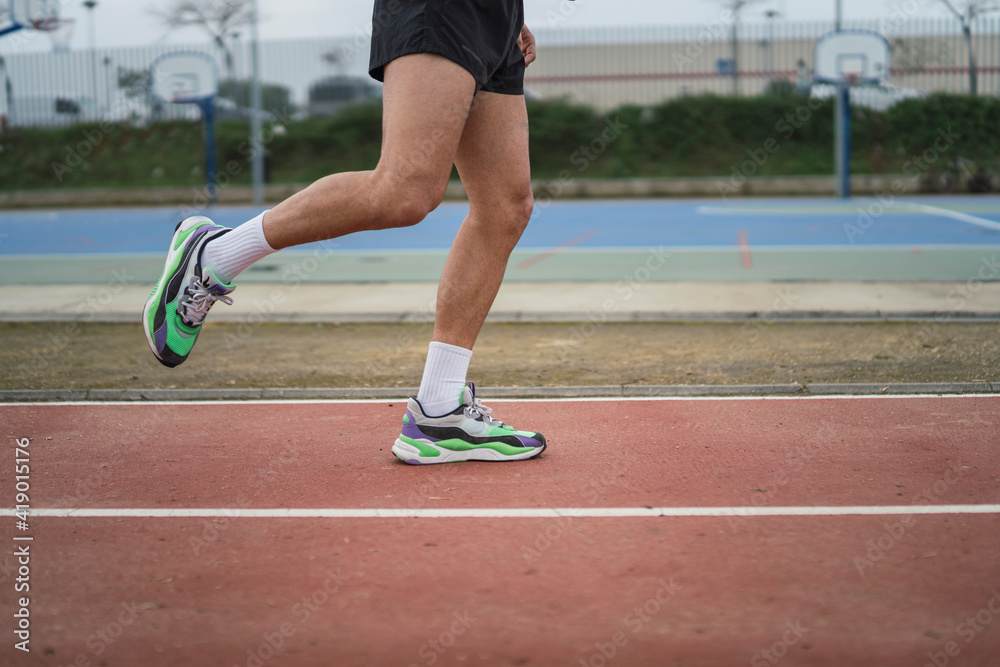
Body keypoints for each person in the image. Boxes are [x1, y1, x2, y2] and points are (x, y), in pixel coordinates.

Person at [142, 0, 546, 465]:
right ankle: (216, 254)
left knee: (505, 208)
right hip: (441, 9)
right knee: (406, 190)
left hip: (496, 17)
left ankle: (439, 410)